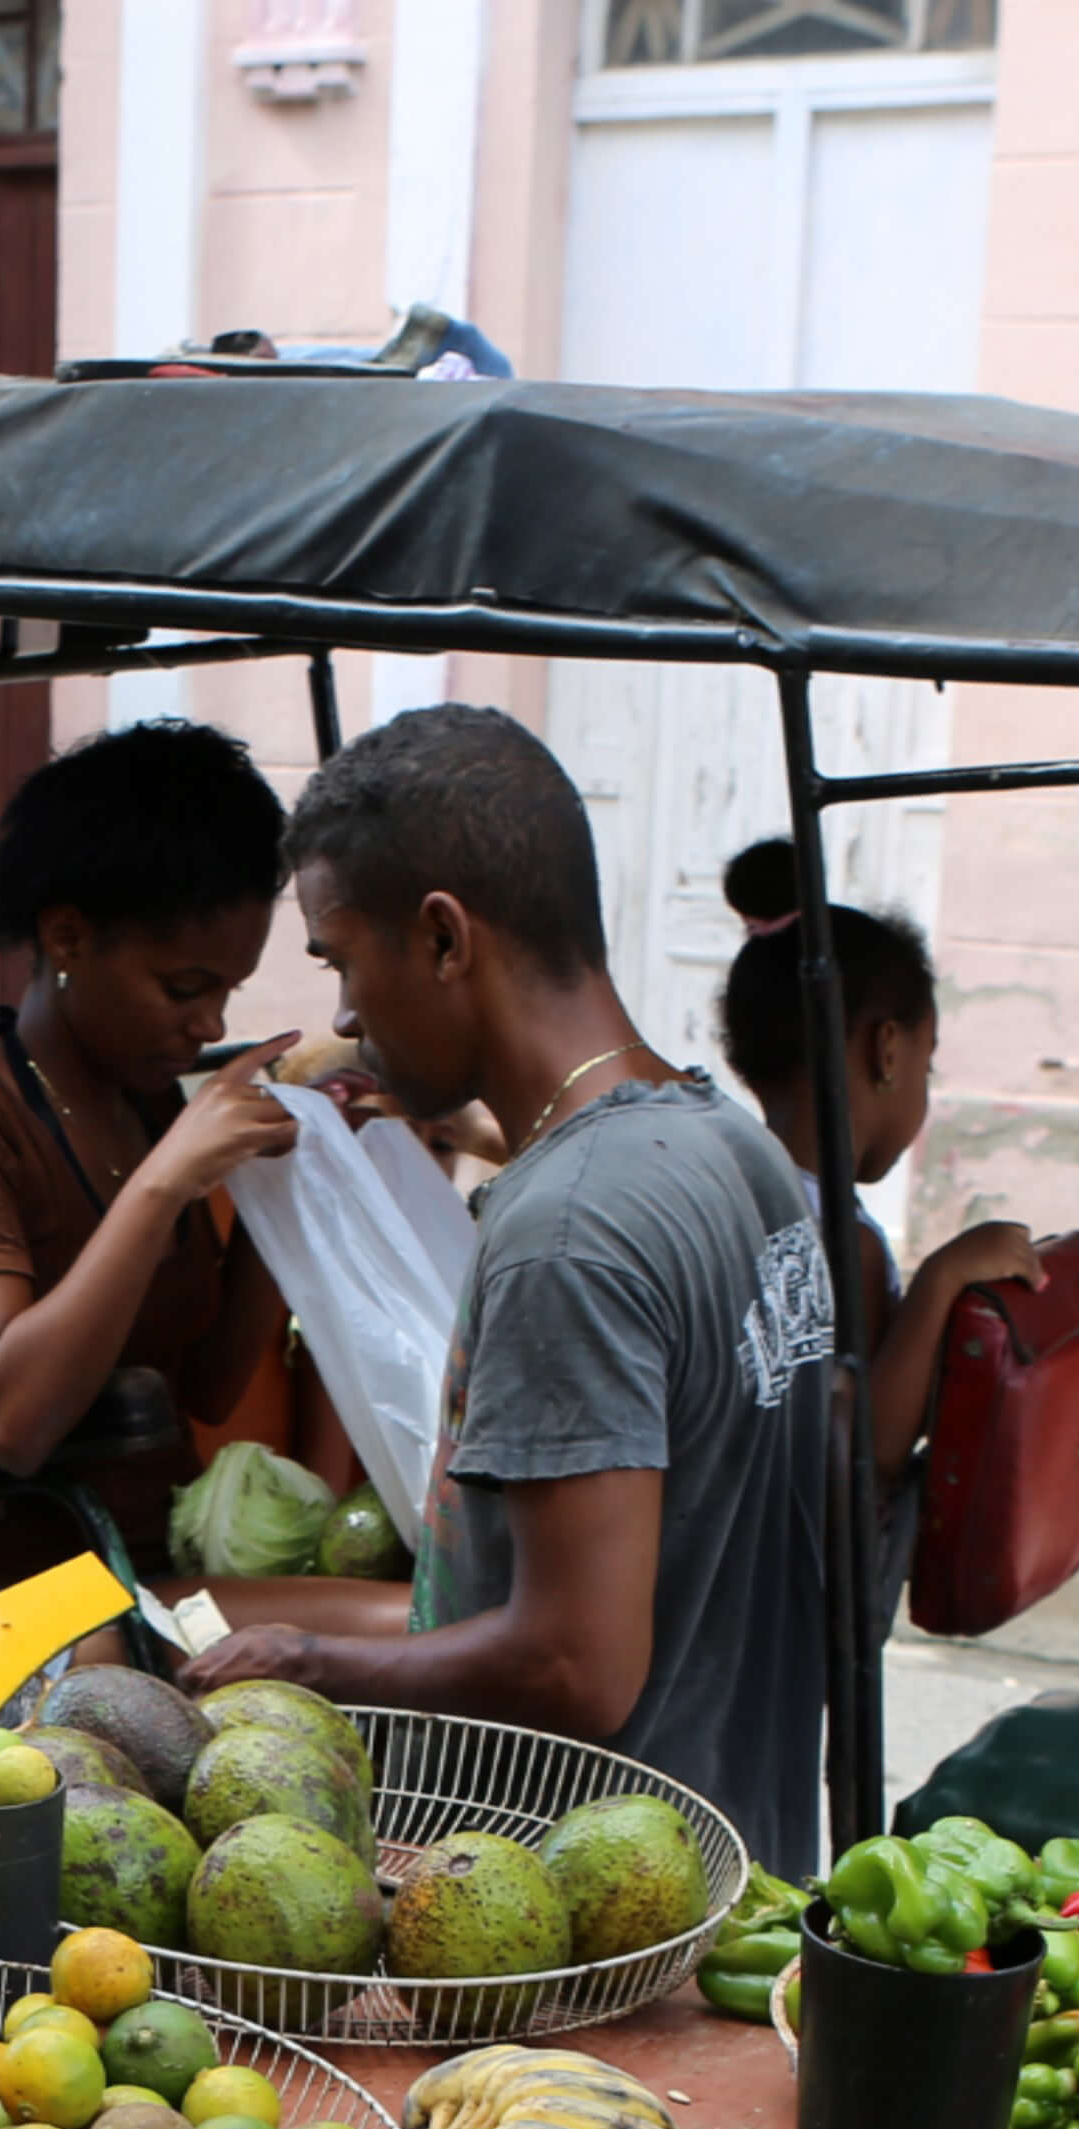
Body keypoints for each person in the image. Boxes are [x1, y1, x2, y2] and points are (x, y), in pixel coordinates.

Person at [186, 707, 846, 1875]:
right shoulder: (727, 1147)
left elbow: (573, 1666)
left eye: (341, 961)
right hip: (745, 1859)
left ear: (444, 939)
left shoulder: (568, 1232)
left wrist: (305, 1658)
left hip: (597, 1907)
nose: (340, 1015)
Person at [0, 718, 330, 1606]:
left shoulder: (147, 1099)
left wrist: (287, 1178)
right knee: (409, 1634)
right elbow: (12, 1422)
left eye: (226, 994)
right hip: (7, 1608)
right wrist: (164, 1184)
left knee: (427, 1607)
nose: (206, 1026)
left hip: (150, 1575)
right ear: (69, 937)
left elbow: (210, 1383)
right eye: (184, 988)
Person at [710, 837, 1038, 1490]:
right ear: (887, 1051)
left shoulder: (725, 1183)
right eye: (929, 1059)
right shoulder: (838, 1241)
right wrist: (944, 1278)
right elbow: (867, 1448)